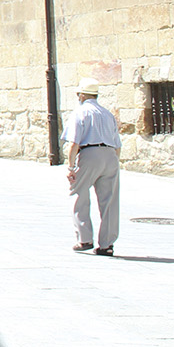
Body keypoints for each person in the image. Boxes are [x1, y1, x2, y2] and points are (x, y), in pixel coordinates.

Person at [62, 77, 121, 256]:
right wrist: (113, 163)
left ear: (81, 95)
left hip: (89, 153)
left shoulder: (80, 113)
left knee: (78, 193)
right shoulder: (108, 114)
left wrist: (71, 167)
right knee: (109, 200)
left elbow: (74, 143)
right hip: (110, 155)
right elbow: (117, 144)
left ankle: (84, 238)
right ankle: (107, 244)